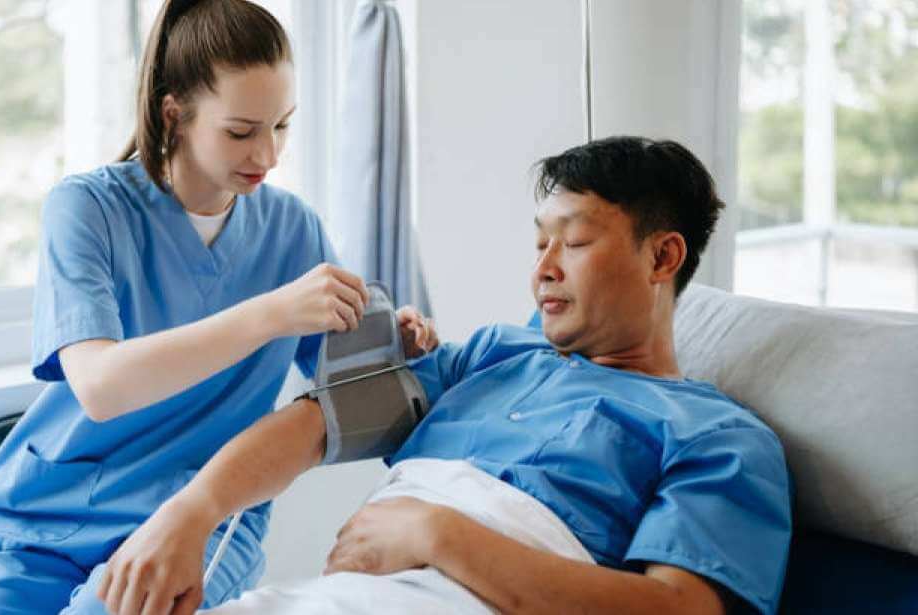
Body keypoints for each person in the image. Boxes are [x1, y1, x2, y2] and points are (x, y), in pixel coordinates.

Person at [102, 136, 793, 615]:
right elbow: (316, 423)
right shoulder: (490, 356)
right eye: (539, 242)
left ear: (662, 257)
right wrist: (189, 514)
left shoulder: (716, 436)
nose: (543, 269)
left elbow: (680, 608)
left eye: (576, 242)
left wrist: (437, 534)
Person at [0, 1, 437, 613]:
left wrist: (392, 341)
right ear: (175, 115)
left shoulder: (292, 229)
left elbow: (344, 380)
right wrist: (271, 313)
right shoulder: (87, 209)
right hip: (47, 516)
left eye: (282, 126)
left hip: (196, 520)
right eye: (241, 132)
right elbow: (101, 387)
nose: (268, 156)